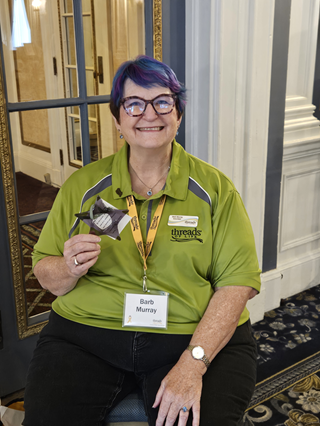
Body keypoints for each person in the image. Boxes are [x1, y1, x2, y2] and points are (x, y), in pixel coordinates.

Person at [23, 55, 261, 426]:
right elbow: (46, 275)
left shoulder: (215, 189)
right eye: (133, 104)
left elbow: (237, 283)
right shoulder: (83, 188)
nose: (149, 114)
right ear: (118, 119)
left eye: (162, 101)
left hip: (187, 332)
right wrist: (68, 267)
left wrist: (192, 364)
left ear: (178, 114)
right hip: (88, 335)